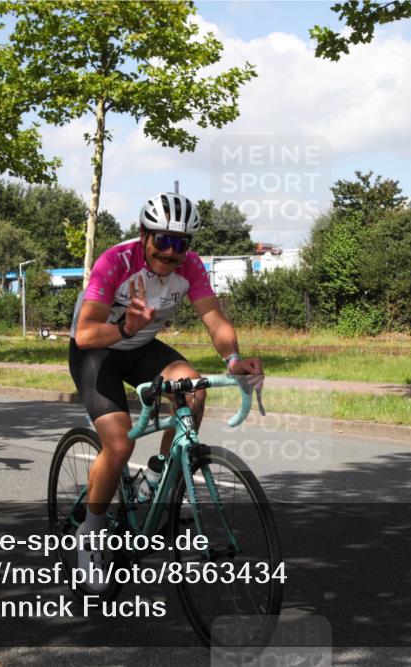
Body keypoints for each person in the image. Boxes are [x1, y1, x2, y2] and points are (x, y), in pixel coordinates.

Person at [69, 193, 263, 591]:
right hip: (97, 351)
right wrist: (126, 327)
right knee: (119, 445)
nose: (171, 252)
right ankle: (90, 531)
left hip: (140, 348)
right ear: (144, 234)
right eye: (163, 240)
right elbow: (85, 333)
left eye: (181, 243)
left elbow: (215, 320)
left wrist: (233, 360)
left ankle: (158, 475)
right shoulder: (115, 262)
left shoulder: (189, 266)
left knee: (193, 388)